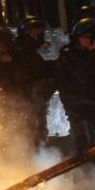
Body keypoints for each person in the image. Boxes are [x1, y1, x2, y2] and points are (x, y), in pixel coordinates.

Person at [57, 17, 95, 190]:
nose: (88, 41)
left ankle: (89, 181)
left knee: (94, 144)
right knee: (83, 144)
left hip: (93, 105)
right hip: (77, 106)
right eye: (85, 37)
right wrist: (92, 55)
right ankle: (81, 184)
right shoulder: (69, 54)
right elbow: (84, 76)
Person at [15, 17, 56, 147]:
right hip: (27, 97)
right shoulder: (22, 51)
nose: (37, 37)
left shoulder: (31, 52)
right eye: (35, 33)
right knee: (31, 126)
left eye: (39, 33)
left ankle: (39, 150)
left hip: (36, 97)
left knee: (38, 124)